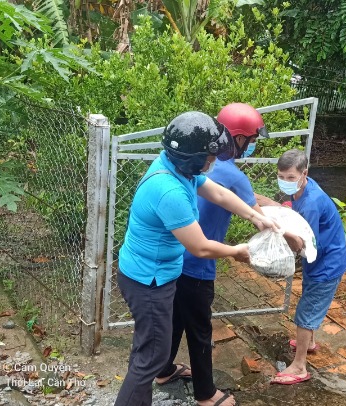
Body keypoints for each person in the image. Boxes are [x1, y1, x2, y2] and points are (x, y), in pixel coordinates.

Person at [115, 111, 278, 406]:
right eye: (210, 156)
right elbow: (200, 247)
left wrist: (255, 216)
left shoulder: (178, 167)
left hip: (152, 273)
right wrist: (238, 252)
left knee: (151, 348)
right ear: (191, 158)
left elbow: (217, 193)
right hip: (148, 281)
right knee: (151, 358)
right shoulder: (168, 191)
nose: (214, 162)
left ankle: (156, 374)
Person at [155, 103, 268, 406]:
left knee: (177, 318)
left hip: (177, 260)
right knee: (200, 330)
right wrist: (291, 233)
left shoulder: (194, 167)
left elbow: (230, 195)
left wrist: (258, 212)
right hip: (200, 263)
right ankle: (206, 394)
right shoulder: (226, 173)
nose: (253, 145)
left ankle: (164, 370)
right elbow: (252, 207)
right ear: (238, 139)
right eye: (251, 139)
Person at [269, 149, 346, 385]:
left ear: (304, 174)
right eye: (281, 177)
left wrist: (274, 234)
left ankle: (300, 365)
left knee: (305, 313)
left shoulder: (311, 203)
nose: (285, 182)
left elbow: (301, 243)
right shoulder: (305, 188)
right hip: (321, 259)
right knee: (310, 301)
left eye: (290, 178)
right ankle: (310, 342)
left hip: (326, 264)